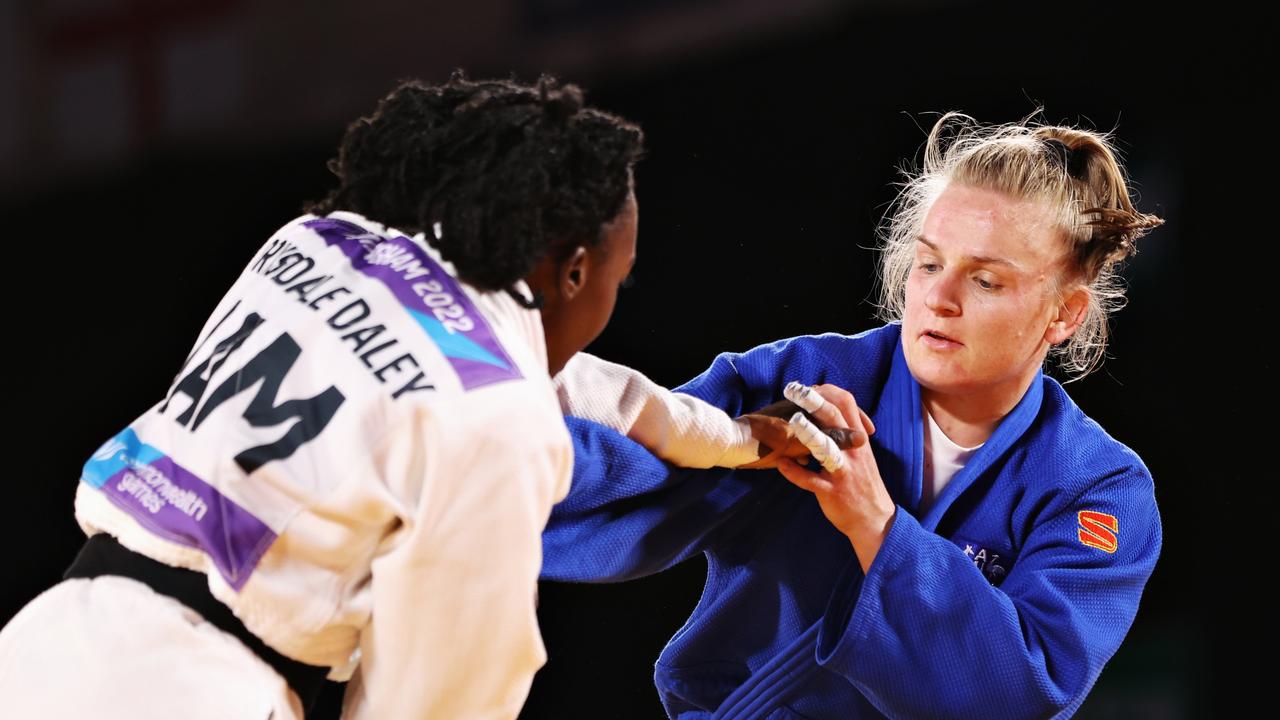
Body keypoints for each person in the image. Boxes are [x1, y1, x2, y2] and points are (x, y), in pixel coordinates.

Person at [0, 73, 645, 720]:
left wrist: (714, 435)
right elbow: (439, 702)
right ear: (576, 270)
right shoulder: (497, 416)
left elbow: (527, 376)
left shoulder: (307, 246)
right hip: (203, 694)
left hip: (45, 646)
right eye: (622, 278)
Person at [544, 112, 1165, 718]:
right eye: (929, 263)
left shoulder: (1098, 489)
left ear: (1064, 314)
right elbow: (640, 478)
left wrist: (875, 522)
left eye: (986, 282)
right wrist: (499, 435)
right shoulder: (808, 380)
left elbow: (1018, 691)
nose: (938, 299)